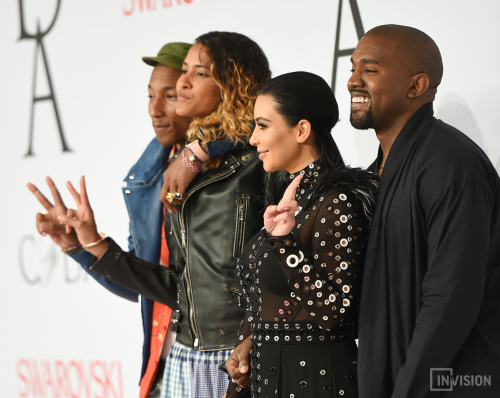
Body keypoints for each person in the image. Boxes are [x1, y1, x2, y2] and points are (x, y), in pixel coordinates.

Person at [56, 31, 271, 398]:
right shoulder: (171, 170)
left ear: (232, 83)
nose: (180, 86)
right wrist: (89, 245)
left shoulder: (258, 160)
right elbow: (175, 287)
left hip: (237, 356)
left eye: (196, 75)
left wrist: (197, 153)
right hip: (184, 356)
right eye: (182, 74)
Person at [348, 24, 500, 397]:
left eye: (369, 70)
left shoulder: (450, 162)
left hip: (450, 381)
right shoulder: (379, 170)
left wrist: (409, 387)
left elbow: (450, 296)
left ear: (416, 86)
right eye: (352, 68)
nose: (352, 81)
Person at [225, 71, 377, 398]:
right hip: (269, 380)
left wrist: (284, 244)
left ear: (301, 130)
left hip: (319, 382)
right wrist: (246, 346)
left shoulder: (337, 202)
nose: (253, 138)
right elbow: (269, 303)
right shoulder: (287, 202)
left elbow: (334, 312)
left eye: (263, 125)